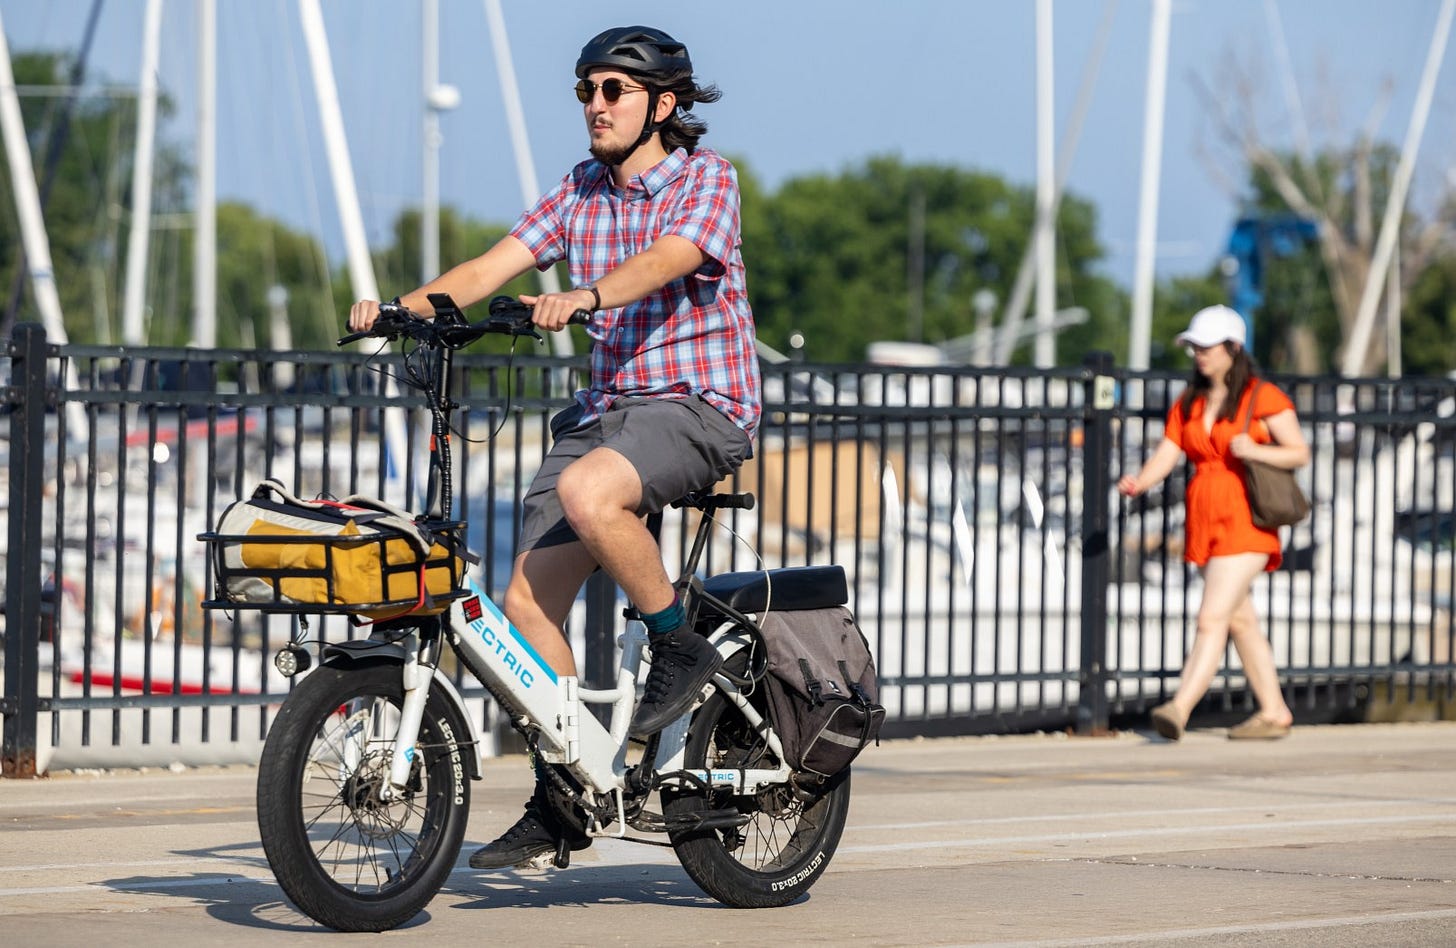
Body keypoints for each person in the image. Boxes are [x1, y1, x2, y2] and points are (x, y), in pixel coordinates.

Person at [347, 25, 761, 867]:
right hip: (607, 414)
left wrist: (586, 296)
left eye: (612, 90)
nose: (594, 106)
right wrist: (398, 309)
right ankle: (566, 792)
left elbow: (671, 258)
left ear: (662, 105)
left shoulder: (706, 179)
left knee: (587, 492)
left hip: (699, 404)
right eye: (585, 90)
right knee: (526, 605)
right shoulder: (580, 189)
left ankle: (676, 644)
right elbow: (490, 267)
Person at [1117, 304, 1309, 742]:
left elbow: (1299, 452)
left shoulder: (1262, 396)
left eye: (1207, 346)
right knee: (1240, 620)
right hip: (1206, 519)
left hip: (1247, 520)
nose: (1199, 354)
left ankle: (1180, 707)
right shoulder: (1190, 401)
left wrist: (1255, 450)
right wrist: (1140, 482)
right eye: (1195, 347)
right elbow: (1169, 451)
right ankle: (1275, 711)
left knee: (1211, 617)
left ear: (1233, 348)